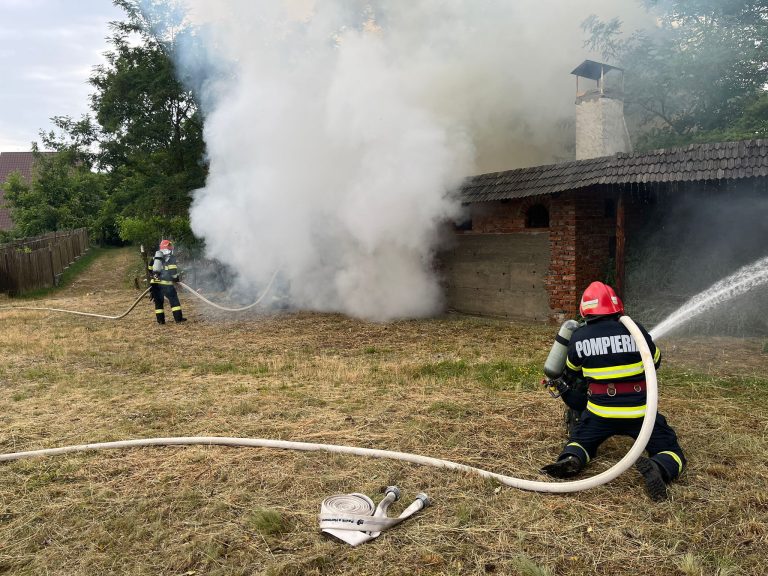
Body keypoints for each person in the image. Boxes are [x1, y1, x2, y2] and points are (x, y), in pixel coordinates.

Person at [540, 281, 685, 501]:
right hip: (640, 413)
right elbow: (655, 361)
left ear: (584, 310)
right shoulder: (635, 330)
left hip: (601, 413)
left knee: (580, 440)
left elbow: (573, 372)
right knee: (671, 449)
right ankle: (659, 466)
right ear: (617, 307)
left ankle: (573, 459)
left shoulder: (579, 337)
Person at [149, 239, 187, 324]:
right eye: (170, 246)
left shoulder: (155, 257)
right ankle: (178, 319)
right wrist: (176, 279)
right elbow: (173, 272)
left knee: (158, 303)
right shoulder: (171, 258)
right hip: (166, 284)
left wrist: (156, 277)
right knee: (174, 301)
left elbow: (150, 269)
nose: (171, 248)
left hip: (155, 284)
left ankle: (160, 321)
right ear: (168, 247)